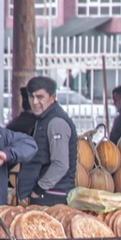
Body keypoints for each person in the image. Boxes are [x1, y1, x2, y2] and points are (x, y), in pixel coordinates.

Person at [16, 75, 77, 207]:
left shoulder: (56, 122)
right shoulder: (42, 119)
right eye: (32, 97)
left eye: (40, 97)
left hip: (51, 197)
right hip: (45, 196)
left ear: (53, 97)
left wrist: (37, 190)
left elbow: (60, 164)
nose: (35, 102)